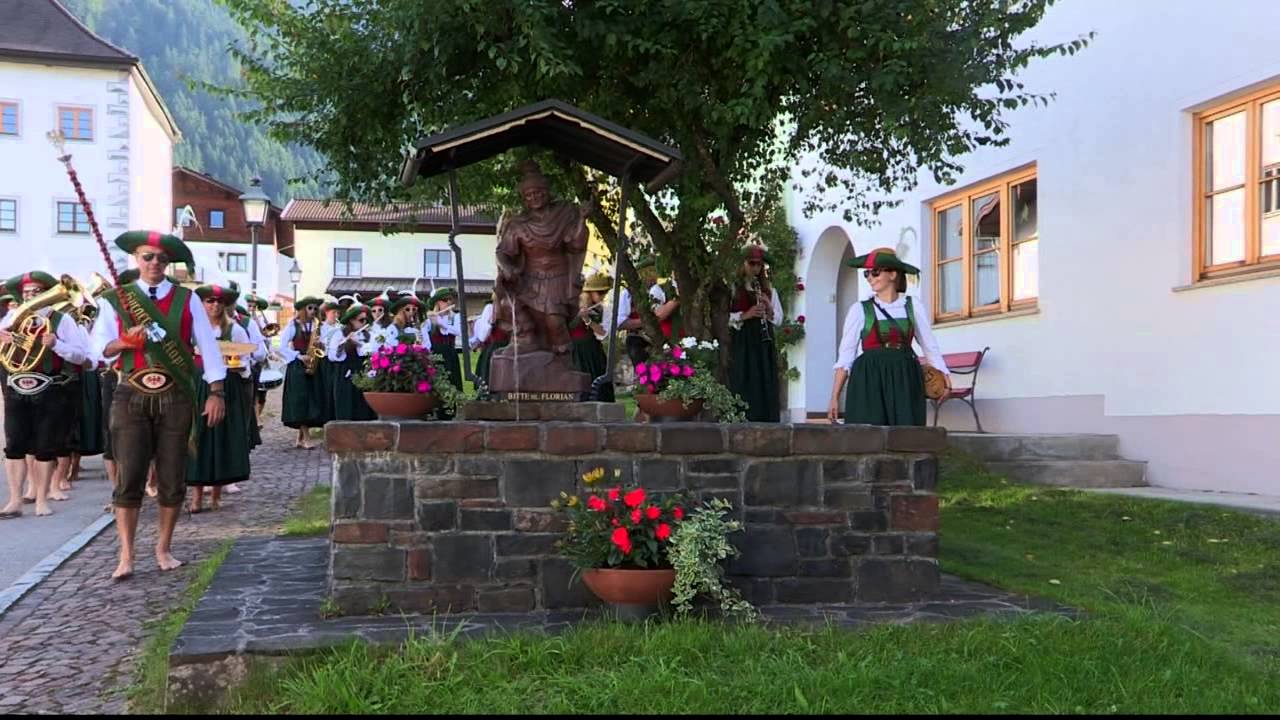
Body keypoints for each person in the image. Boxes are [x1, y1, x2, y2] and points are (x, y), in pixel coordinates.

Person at [90, 231, 227, 579]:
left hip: (175, 394)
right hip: (130, 392)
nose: (154, 263)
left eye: (161, 259)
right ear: (136, 258)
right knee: (129, 475)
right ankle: (126, 554)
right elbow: (97, 350)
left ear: (168, 263)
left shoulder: (187, 299)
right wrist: (123, 342)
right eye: (147, 256)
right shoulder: (114, 299)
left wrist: (216, 392)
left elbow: (208, 346)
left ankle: (163, 548)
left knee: (172, 475)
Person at [827, 247, 951, 426]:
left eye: (875, 272)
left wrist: (944, 375)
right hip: (869, 378)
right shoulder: (859, 310)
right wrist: (835, 397)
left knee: (907, 432)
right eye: (867, 273)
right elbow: (845, 357)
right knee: (868, 433)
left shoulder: (913, 306)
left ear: (892, 274)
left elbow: (929, 346)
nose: (870, 278)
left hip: (904, 376)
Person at [0, 272, 88, 519]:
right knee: (14, 446)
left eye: (37, 292)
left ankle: (41, 499)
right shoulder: (12, 317)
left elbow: (81, 356)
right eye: (26, 293)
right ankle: (15, 500)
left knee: (45, 447)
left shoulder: (62, 320)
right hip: (17, 387)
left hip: (50, 387)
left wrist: (56, 344)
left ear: (48, 294)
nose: (30, 297)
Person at [186, 284, 252, 513]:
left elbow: (248, 358)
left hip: (226, 387)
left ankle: (216, 495)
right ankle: (196, 496)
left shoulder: (234, 330)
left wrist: (235, 362)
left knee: (221, 438)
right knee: (198, 437)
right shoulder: (192, 328)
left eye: (219, 301)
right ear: (202, 304)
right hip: (197, 386)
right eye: (210, 301)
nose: (215, 305)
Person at [728, 244, 784, 422]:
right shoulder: (733, 288)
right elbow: (723, 317)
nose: (756, 268)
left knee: (764, 377)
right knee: (744, 378)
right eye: (751, 263)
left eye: (759, 264)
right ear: (743, 264)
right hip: (743, 340)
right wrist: (745, 315)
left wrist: (769, 309)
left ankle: (766, 419)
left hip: (763, 340)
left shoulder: (769, 290)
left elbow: (779, 319)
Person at [279, 297, 323, 449]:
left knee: (311, 399)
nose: (313, 311)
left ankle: (300, 438)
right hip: (298, 365)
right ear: (303, 309)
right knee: (301, 399)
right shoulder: (293, 325)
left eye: (315, 308)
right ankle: (307, 438)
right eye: (310, 308)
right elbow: (282, 347)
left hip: (312, 364)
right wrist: (298, 356)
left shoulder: (316, 325)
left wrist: (319, 345)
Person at [328, 303, 377, 421]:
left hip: (363, 372)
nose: (364, 323)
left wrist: (358, 343)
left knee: (363, 406)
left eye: (366, 320)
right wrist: (341, 346)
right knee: (346, 405)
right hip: (345, 373)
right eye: (361, 320)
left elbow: (373, 351)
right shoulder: (339, 334)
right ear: (351, 320)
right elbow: (332, 356)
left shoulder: (369, 335)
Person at [569, 272, 609, 381]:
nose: (603, 296)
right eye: (600, 292)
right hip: (576, 351)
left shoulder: (599, 308)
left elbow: (602, 333)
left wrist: (588, 320)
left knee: (598, 380)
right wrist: (579, 316)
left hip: (593, 349)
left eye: (605, 292)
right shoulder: (572, 305)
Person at [470, 292, 508, 389]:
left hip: (509, 347)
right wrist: (490, 322)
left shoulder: (513, 309)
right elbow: (483, 335)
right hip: (495, 348)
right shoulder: (490, 308)